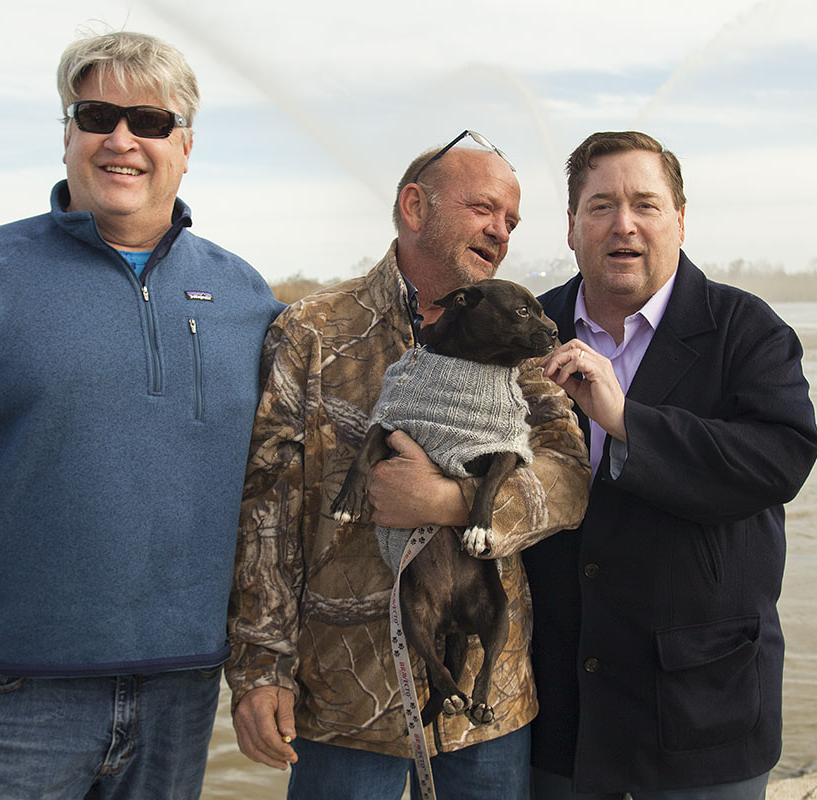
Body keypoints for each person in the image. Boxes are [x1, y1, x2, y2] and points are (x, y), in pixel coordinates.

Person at [0, 30, 283, 798]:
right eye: (96, 114)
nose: (121, 139)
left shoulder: (245, 296)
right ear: (67, 135)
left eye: (149, 121)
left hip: (185, 694)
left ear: (186, 145)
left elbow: (286, 487)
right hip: (20, 697)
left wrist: (270, 664)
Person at [226, 132, 590, 799]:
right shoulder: (310, 331)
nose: (501, 230)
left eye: (511, 220)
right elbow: (265, 515)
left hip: (489, 711)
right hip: (340, 706)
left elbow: (569, 482)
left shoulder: (521, 342)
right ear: (414, 206)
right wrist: (258, 669)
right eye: (484, 208)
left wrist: (451, 501)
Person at [526, 130, 817, 799]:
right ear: (571, 229)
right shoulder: (528, 333)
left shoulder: (747, 331)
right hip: (557, 715)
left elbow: (780, 460)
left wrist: (625, 419)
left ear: (680, 221)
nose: (622, 224)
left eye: (645, 205)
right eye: (600, 206)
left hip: (702, 718)